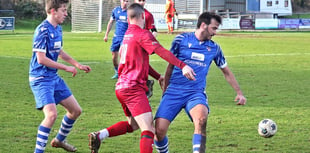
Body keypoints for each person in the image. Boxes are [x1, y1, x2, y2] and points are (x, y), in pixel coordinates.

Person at [88, 3, 195, 153]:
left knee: (133, 125)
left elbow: (138, 63)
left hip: (121, 88)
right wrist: (182, 65)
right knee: (149, 129)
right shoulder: (142, 34)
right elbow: (161, 51)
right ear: (143, 16)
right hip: (133, 89)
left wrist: (158, 76)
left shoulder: (127, 35)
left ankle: (100, 135)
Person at [154, 12, 247, 153]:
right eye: (214, 28)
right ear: (204, 25)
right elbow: (170, 66)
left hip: (195, 93)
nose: (215, 32)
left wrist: (239, 93)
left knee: (201, 120)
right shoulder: (181, 40)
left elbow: (226, 72)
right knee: (159, 131)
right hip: (174, 90)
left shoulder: (215, 48)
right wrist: (166, 90)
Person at [29, 0, 91, 153]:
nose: (66, 13)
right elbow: (41, 59)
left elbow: (60, 52)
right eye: (63, 10)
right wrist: (65, 68)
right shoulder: (42, 30)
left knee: (76, 110)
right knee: (51, 115)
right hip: (41, 78)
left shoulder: (58, 29)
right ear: (53, 11)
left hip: (53, 78)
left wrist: (77, 65)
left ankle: (58, 141)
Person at [134, 0, 159, 99]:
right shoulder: (130, 13)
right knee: (137, 66)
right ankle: (147, 83)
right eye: (139, 0)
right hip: (132, 43)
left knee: (141, 65)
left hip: (142, 44)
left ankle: (144, 87)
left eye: (143, 1)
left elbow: (154, 31)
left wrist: (149, 43)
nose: (141, 3)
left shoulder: (148, 15)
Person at [104, 0, 130, 79]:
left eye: (127, 1)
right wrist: (106, 35)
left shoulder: (130, 12)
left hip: (125, 38)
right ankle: (117, 72)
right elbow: (110, 22)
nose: (125, 3)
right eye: (124, 1)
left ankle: (124, 74)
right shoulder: (115, 10)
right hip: (116, 37)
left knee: (123, 56)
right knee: (114, 56)